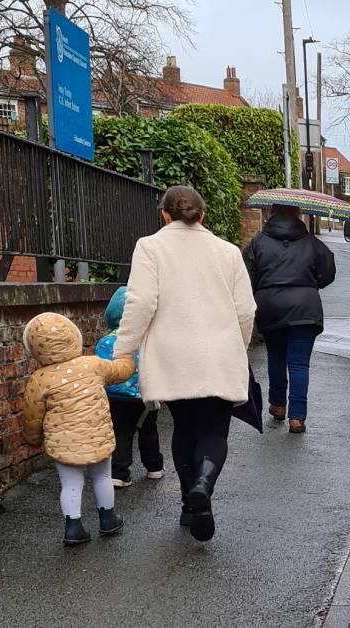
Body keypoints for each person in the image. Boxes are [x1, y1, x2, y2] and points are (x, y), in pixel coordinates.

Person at [114, 185, 256, 543]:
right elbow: (246, 311)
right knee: (213, 430)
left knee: (183, 427)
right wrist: (239, 346)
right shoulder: (227, 252)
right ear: (202, 215)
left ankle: (188, 503)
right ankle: (204, 486)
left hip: (173, 357)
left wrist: (123, 352)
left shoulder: (150, 247)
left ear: (164, 214)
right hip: (220, 353)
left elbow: (141, 303)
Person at [22, 312, 134, 546]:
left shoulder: (39, 380)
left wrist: (33, 438)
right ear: (74, 336)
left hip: (63, 442)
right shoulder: (93, 364)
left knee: (71, 484)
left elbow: (32, 416)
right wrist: (127, 354)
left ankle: (73, 528)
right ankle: (108, 519)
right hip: (97, 436)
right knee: (102, 476)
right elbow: (121, 371)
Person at [243, 203, 336, 434]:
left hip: (271, 306)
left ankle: (277, 405)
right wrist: (311, 283)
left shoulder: (258, 242)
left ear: (272, 213)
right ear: (297, 214)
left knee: (275, 355)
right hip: (305, 308)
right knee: (299, 363)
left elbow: (246, 275)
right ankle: (297, 417)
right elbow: (328, 272)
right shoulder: (311, 242)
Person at [95, 286, 164, 487]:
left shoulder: (104, 342)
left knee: (121, 432)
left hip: (115, 397)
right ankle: (154, 467)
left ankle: (119, 472)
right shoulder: (148, 341)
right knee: (148, 431)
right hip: (144, 396)